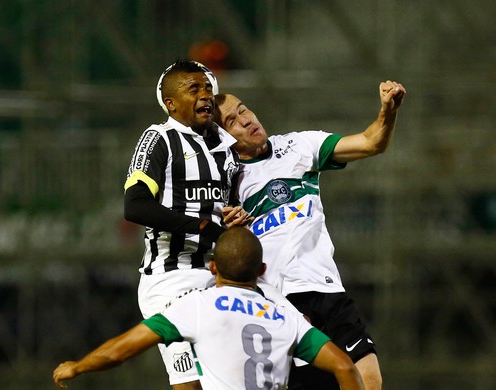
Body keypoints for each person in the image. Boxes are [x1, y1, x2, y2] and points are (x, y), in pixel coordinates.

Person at [214, 80, 406, 390]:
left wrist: (388, 111)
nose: (246, 120)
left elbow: (372, 143)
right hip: (279, 301)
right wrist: (222, 226)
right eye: (231, 121)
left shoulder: (299, 146)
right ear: (222, 138)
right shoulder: (225, 181)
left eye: (243, 109)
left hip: (325, 287)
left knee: (369, 379)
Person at [53, 228, 366, 390]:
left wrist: (79, 366)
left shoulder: (197, 306)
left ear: (213, 267)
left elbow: (122, 350)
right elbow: (345, 368)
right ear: (262, 270)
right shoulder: (286, 316)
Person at [123, 59, 242, 389]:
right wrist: (202, 227)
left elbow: (226, 208)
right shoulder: (159, 138)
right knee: (190, 383)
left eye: (207, 88)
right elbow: (135, 206)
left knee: (229, 378)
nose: (205, 94)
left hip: (217, 279)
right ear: (171, 104)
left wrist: (232, 217)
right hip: (171, 281)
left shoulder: (225, 148)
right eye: (194, 89)